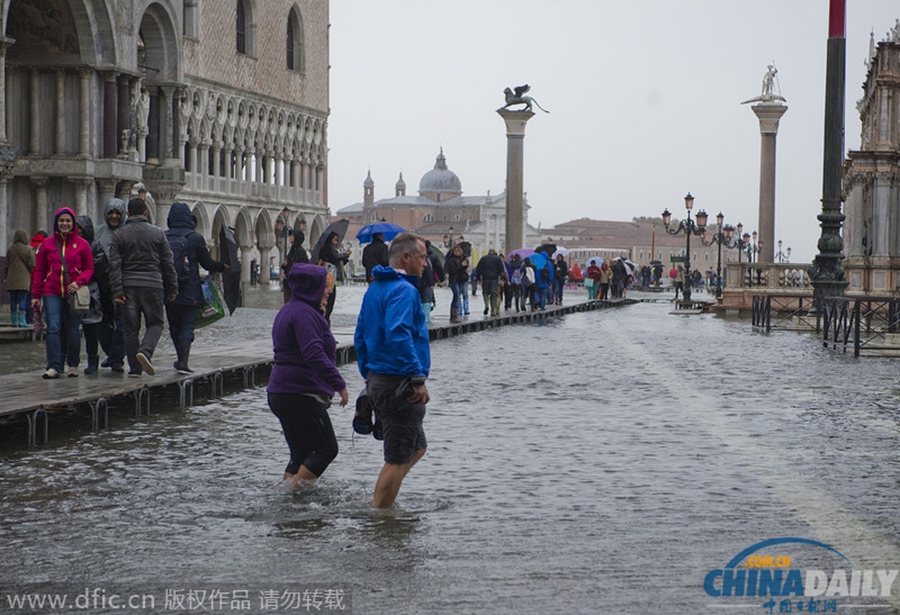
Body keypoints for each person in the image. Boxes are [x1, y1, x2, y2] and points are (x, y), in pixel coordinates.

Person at [354, 232, 430, 509]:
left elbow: (360, 334)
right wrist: (416, 377)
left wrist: (368, 373)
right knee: (396, 459)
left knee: (417, 447)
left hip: (379, 378)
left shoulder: (376, 287)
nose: (426, 264)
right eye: (422, 257)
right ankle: (380, 516)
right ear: (406, 257)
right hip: (399, 382)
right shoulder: (404, 290)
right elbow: (399, 334)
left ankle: (381, 496)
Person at [268, 263, 349, 489]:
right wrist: (339, 383)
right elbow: (313, 354)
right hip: (299, 391)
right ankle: (293, 497)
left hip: (281, 391)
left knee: (301, 452)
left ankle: (286, 500)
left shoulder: (290, 309)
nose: (329, 291)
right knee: (326, 449)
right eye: (325, 286)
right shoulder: (305, 314)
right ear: (312, 287)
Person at [108, 198, 177, 378]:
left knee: (130, 329)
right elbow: (168, 263)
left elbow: (114, 265)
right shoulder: (158, 234)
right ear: (146, 212)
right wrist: (172, 288)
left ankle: (135, 369)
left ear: (128, 214)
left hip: (128, 286)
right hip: (153, 285)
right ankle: (145, 352)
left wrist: (117, 290)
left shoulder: (119, 235)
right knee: (155, 323)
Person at [165, 202, 229, 374]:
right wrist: (222, 267)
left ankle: (180, 360)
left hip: (169, 289)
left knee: (174, 326)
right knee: (187, 326)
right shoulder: (195, 238)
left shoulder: (164, 236)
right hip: (190, 289)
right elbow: (207, 263)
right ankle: (183, 363)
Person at [31, 207, 94, 379]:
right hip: (52, 291)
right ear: (56, 223)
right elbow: (40, 271)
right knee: (53, 327)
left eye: (68, 221)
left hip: (73, 291)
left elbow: (89, 268)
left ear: (73, 224)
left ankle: (73, 364)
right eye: (61, 221)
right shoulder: (47, 244)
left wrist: (78, 281)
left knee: (73, 329)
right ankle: (54, 366)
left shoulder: (82, 244)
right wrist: (36, 295)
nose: (64, 224)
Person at [93, 198, 127, 371]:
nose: (114, 216)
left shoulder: (128, 232)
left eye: (117, 213)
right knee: (102, 323)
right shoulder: (98, 231)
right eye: (111, 213)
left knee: (122, 323)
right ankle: (111, 354)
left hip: (124, 284)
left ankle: (116, 358)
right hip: (102, 285)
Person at [318, 231, 350, 323]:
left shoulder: (327, 248)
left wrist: (345, 258)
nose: (337, 242)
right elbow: (336, 257)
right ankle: (326, 321)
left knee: (328, 300)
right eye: (335, 239)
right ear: (331, 239)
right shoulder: (329, 247)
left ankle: (326, 320)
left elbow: (336, 261)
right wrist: (346, 254)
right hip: (330, 278)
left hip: (330, 276)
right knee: (329, 300)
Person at [5, 229, 35, 327]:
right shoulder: (28, 250)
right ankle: (22, 322)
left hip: (11, 278)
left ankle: (14, 322)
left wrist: (6, 276)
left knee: (13, 299)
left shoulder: (10, 249)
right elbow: (32, 265)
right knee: (23, 299)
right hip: (24, 279)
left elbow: (6, 265)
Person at [281, 229, 309, 304]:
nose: (290, 237)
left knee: (292, 303)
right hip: (288, 282)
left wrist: (288, 274)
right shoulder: (292, 250)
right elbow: (289, 264)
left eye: (292, 235)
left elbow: (301, 267)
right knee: (287, 302)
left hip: (295, 283)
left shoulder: (300, 251)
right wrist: (284, 265)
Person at [475, 248, 505, 317]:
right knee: (494, 295)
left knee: (485, 293)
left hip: (485, 279)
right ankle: (493, 310)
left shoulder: (483, 258)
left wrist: (478, 278)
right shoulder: (497, 259)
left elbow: (478, 269)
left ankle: (486, 306)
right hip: (494, 279)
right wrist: (502, 279)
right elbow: (502, 271)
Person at [444, 244, 468, 323]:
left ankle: (455, 315)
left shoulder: (462, 259)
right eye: (455, 251)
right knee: (457, 295)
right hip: (453, 280)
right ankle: (453, 315)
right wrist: (461, 266)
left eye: (458, 251)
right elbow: (452, 271)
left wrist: (465, 266)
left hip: (460, 280)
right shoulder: (451, 260)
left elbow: (463, 270)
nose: (457, 252)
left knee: (457, 296)